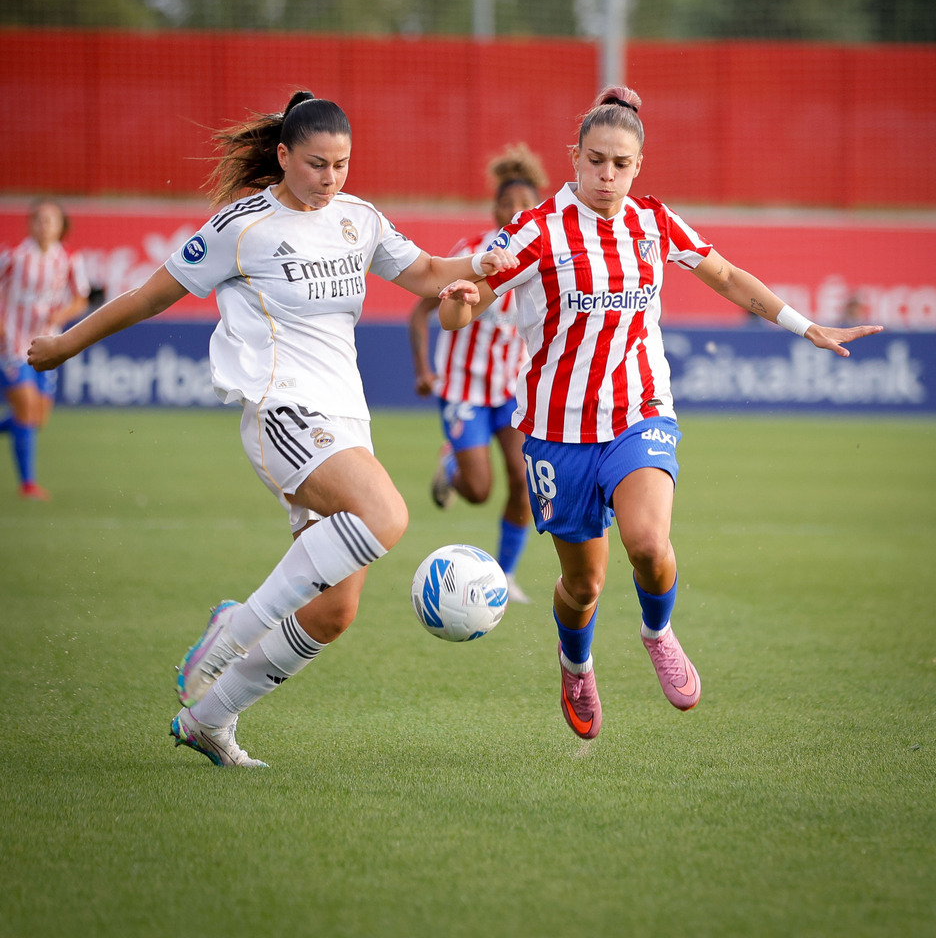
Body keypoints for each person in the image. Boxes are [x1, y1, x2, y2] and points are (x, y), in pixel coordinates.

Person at [28, 92, 517, 768]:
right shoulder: (243, 226)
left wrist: (481, 270)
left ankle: (209, 719)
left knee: (334, 612)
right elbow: (151, 294)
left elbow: (431, 274)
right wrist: (65, 345)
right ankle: (234, 629)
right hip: (280, 410)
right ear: (284, 157)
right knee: (386, 514)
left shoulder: (360, 220)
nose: (330, 178)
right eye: (317, 163)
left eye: (342, 164)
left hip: (346, 423)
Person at [437, 86, 882, 741]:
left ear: (638, 165)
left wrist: (804, 325)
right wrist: (457, 296)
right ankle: (576, 663)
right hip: (557, 434)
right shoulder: (536, 232)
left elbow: (727, 277)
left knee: (648, 544)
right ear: (575, 158)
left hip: (639, 413)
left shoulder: (654, 221)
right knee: (582, 584)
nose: (607, 175)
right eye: (595, 161)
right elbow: (461, 307)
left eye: (621, 163)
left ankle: (657, 631)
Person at [409, 145, 547, 603]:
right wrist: (425, 369)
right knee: (479, 491)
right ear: (495, 209)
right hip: (464, 389)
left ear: (538, 209)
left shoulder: (545, 260)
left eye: (526, 205)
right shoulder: (472, 253)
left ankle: (504, 576)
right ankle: (451, 464)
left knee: (524, 481)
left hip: (512, 392)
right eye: (508, 204)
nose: (515, 212)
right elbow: (421, 312)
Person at [1, 200, 89, 500]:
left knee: (36, 419)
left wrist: (59, 316)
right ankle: (28, 485)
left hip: (48, 344)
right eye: (39, 220)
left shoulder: (68, 260)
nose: (44, 225)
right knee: (25, 409)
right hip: (12, 344)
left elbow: (81, 299)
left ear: (61, 226)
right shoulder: (13, 257)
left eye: (50, 220)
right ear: (31, 224)